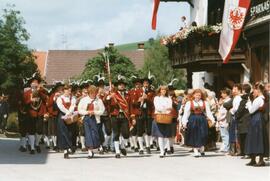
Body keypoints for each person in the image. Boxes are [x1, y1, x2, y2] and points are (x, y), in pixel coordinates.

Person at [182, 89, 215, 157]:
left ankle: (202, 147)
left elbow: (208, 112)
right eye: (196, 94)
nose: (198, 96)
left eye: (199, 95)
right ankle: (196, 150)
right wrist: (184, 122)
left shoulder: (205, 102)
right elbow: (186, 113)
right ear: (193, 95)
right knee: (194, 135)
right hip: (193, 120)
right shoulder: (189, 102)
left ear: (201, 96)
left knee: (203, 134)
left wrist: (212, 119)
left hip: (202, 120)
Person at [78, 85, 105, 159]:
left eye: (95, 93)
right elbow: (79, 110)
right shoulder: (84, 100)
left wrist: (94, 112)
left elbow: (102, 110)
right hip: (86, 119)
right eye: (92, 93)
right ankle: (90, 151)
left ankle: (95, 147)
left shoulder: (99, 100)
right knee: (88, 134)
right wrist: (87, 112)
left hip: (95, 119)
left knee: (94, 134)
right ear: (89, 93)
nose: (93, 94)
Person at [23, 75, 47, 154]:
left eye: (36, 83)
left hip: (39, 113)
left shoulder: (41, 91)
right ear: (30, 84)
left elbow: (46, 99)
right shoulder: (27, 93)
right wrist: (31, 100)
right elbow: (24, 103)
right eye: (33, 82)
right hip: (30, 114)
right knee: (31, 130)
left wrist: (39, 91)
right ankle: (32, 147)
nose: (35, 84)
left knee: (40, 131)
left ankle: (36, 144)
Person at [245, 83, 267, 166]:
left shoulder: (259, 99)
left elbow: (251, 110)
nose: (253, 91)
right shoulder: (259, 99)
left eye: (254, 89)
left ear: (258, 90)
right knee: (253, 138)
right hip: (256, 119)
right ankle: (253, 158)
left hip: (257, 119)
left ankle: (260, 160)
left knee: (258, 138)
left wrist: (249, 103)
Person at [108, 76, 130, 158]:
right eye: (120, 85)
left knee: (126, 134)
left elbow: (130, 106)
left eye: (123, 85)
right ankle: (117, 152)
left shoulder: (127, 95)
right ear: (117, 86)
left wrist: (132, 116)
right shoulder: (114, 94)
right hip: (115, 115)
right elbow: (109, 104)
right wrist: (110, 97)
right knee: (116, 134)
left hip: (124, 116)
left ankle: (122, 146)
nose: (121, 86)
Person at [56, 85, 76, 159]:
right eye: (67, 90)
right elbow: (61, 107)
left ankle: (70, 146)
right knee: (63, 133)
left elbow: (73, 106)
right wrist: (67, 112)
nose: (69, 92)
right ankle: (66, 150)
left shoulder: (73, 98)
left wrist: (69, 113)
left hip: (70, 116)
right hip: (62, 116)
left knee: (70, 132)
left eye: (70, 90)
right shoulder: (59, 98)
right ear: (64, 90)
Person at [152, 85, 172, 158]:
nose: (163, 91)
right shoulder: (156, 98)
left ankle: (166, 148)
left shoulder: (168, 98)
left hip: (166, 117)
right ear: (159, 91)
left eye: (165, 90)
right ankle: (161, 151)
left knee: (166, 135)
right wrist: (165, 108)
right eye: (162, 90)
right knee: (160, 135)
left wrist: (164, 109)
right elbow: (157, 107)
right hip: (159, 117)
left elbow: (170, 107)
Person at [235, 84, 251, 158]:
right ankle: (248, 153)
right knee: (248, 137)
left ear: (243, 90)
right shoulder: (251, 98)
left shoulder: (243, 100)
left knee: (243, 138)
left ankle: (245, 153)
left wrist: (236, 116)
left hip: (243, 121)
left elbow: (239, 111)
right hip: (249, 119)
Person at [128, 77, 144, 154]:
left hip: (142, 113)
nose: (138, 85)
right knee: (134, 131)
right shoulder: (131, 92)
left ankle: (141, 147)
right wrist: (139, 101)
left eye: (139, 83)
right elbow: (131, 104)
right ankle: (136, 146)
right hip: (134, 113)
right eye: (136, 84)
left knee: (140, 131)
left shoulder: (142, 91)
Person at [216, 88, 231, 153]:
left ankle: (226, 147)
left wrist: (219, 118)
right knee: (223, 134)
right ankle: (225, 146)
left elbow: (225, 112)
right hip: (221, 120)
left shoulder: (227, 101)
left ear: (226, 94)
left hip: (224, 120)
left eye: (222, 93)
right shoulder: (224, 100)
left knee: (225, 134)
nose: (221, 94)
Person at [229, 84, 242, 156]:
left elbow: (236, 108)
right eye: (233, 89)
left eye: (235, 89)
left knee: (234, 132)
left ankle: (234, 150)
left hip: (235, 116)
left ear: (239, 90)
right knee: (234, 132)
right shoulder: (236, 97)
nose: (233, 90)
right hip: (235, 115)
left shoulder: (238, 98)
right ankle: (234, 150)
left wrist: (231, 111)